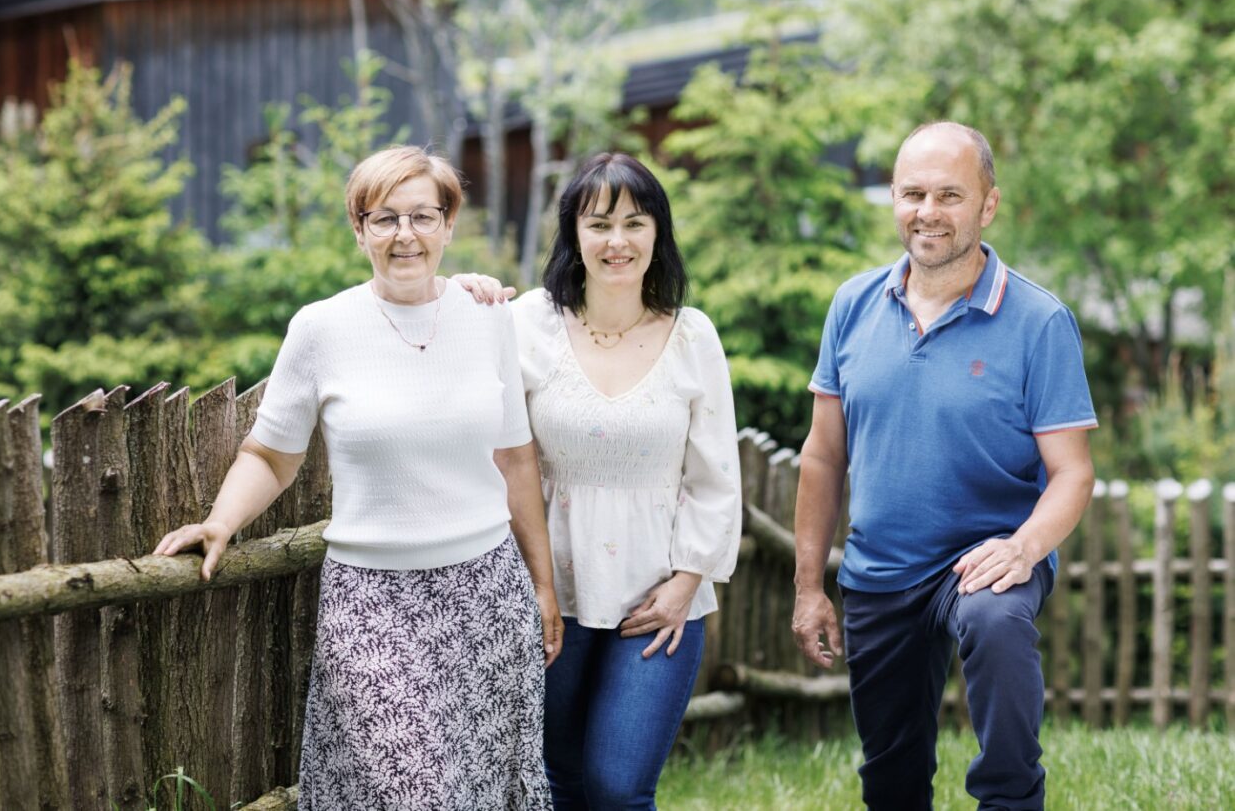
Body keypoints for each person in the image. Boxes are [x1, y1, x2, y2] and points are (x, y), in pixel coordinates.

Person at [153, 145, 561, 809]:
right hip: (372, 604)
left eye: (423, 216)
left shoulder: (488, 318)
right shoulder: (321, 328)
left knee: (481, 789)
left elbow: (514, 458)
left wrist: (543, 585)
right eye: (385, 218)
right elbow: (272, 455)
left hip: (487, 595)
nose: (406, 235)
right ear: (359, 228)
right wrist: (220, 521)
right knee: (415, 792)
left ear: (448, 225)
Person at [790, 122, 1097, 810]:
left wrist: (1024, 547)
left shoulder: (1039, 321)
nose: (928, 212)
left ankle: (1010, 798)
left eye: (949, 195)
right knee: (891, 779)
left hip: (985, 558)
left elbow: (1073, 471)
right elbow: (823, 453)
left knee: (994, 621)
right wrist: (810, 585)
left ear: (988, 205)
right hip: (880, 567)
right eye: (913, 194)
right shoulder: (853, 305)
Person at [464, 152, 742, 809]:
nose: (617, 242)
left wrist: (686, 583)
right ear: (574, 236)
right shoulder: (525, 322)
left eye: (634, 223)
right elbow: (451, 375)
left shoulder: (693, 336)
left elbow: (715, 478)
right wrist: (463, 290)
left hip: (658, 599)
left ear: (657, 234)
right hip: (548, 589)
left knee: (618, 786)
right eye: (599, 224)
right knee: (558, 779)